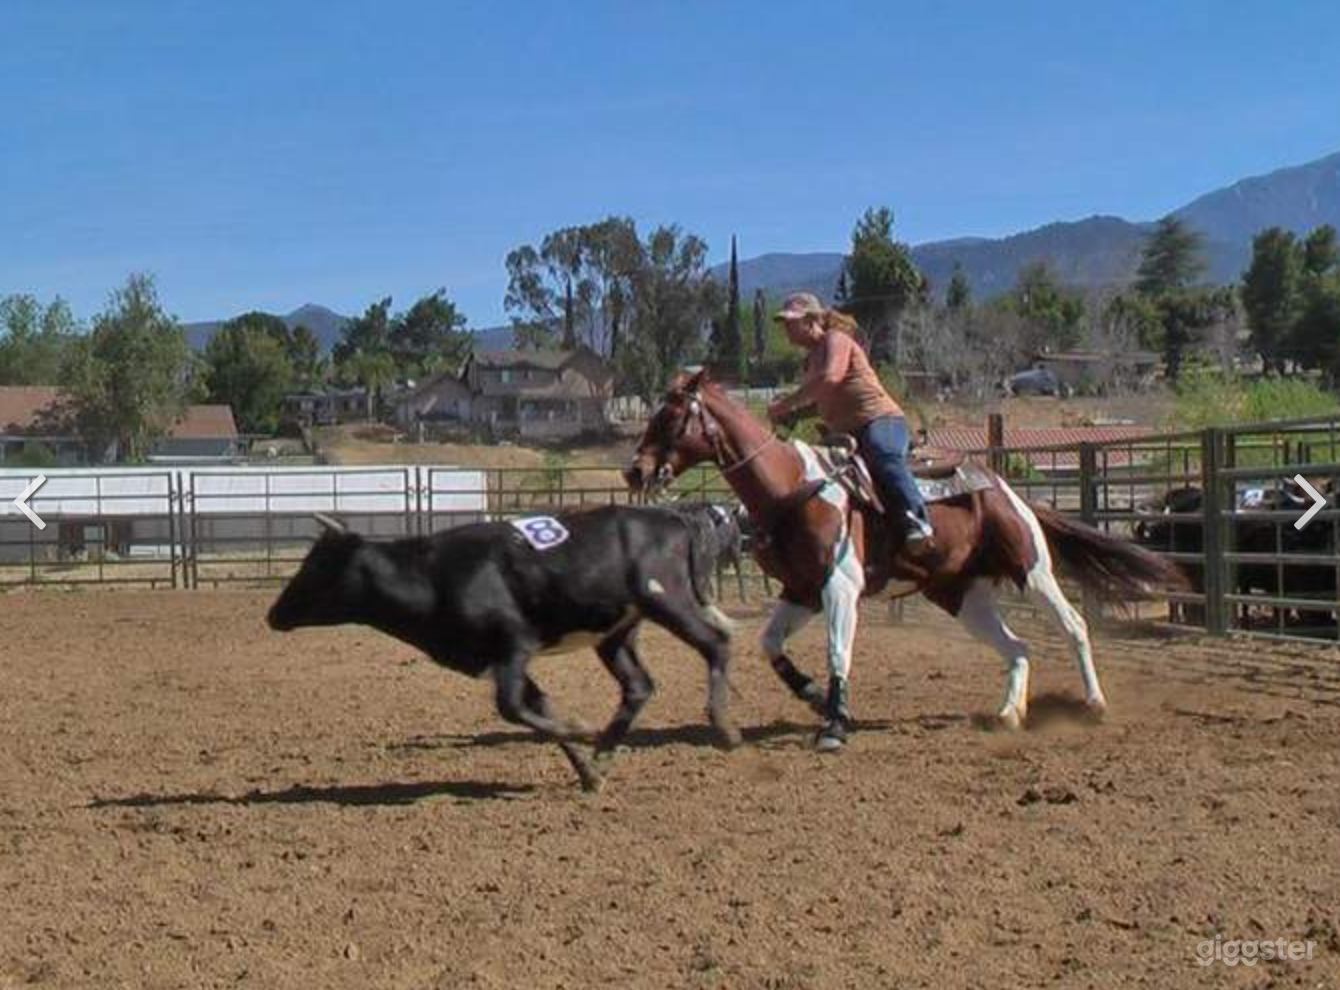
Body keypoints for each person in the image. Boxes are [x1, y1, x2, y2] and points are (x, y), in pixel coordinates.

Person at [766, 292, 934, 549]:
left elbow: (831, 378)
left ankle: (917, 520)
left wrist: (786, 404)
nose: (786, 329)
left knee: (882, 451)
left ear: (811, 320)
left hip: (880, 420)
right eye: (785, 323)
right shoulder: (810, 360)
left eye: (791, 322)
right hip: (846, 432)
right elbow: (821, 400)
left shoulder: (836, 340)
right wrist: (792, 414)